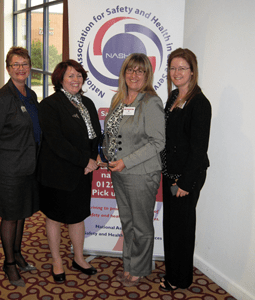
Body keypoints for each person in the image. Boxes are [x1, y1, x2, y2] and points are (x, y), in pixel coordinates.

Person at [101, 53, 165, 287]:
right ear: (124, 73)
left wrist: (126, 161)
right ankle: (130, 263)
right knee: (128, 222)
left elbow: (158, 142)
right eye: (130, 70)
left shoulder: (150, 102)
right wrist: (108, 154)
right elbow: (111, 132)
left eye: (140, 71)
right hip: (119, 173)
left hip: (141, 174)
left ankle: (139, 267)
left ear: (147, 75)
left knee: (141, 224)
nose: (134, 75)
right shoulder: (119, 99)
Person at [0, 47, 41, 287]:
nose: (21, 68)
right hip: (9, 167)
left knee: (22, 212)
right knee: (10, 215)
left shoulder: (31, 95)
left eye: (25, 63)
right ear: (8, 68)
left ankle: (17, 253)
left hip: (29, 164)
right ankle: (9, 263)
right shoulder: (2, 98)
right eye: (16, 64)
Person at [37, 59, 101, 283]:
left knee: (77, 216)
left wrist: (92, 159)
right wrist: (85, 160)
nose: (76, 79)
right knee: (54, 217)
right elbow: (57, 142)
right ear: (60, 79)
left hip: (83, 172)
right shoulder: (49, 105)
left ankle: (79, 258)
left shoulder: (88, 103)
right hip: (58, 173)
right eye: (70, 76)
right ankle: (57, 261)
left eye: (79, 75)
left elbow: (95, 136)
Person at [160, 48, 211, 291]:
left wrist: (184, 183)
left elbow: (199, 149)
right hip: (169, 173)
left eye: (182, 68)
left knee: (181, 228)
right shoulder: (172, 97)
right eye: (173, 68)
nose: (176, 72)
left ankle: (180, 278)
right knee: (171, 226)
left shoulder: (199, 103)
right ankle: (172, 270)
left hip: (185, 177)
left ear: (192, 71)